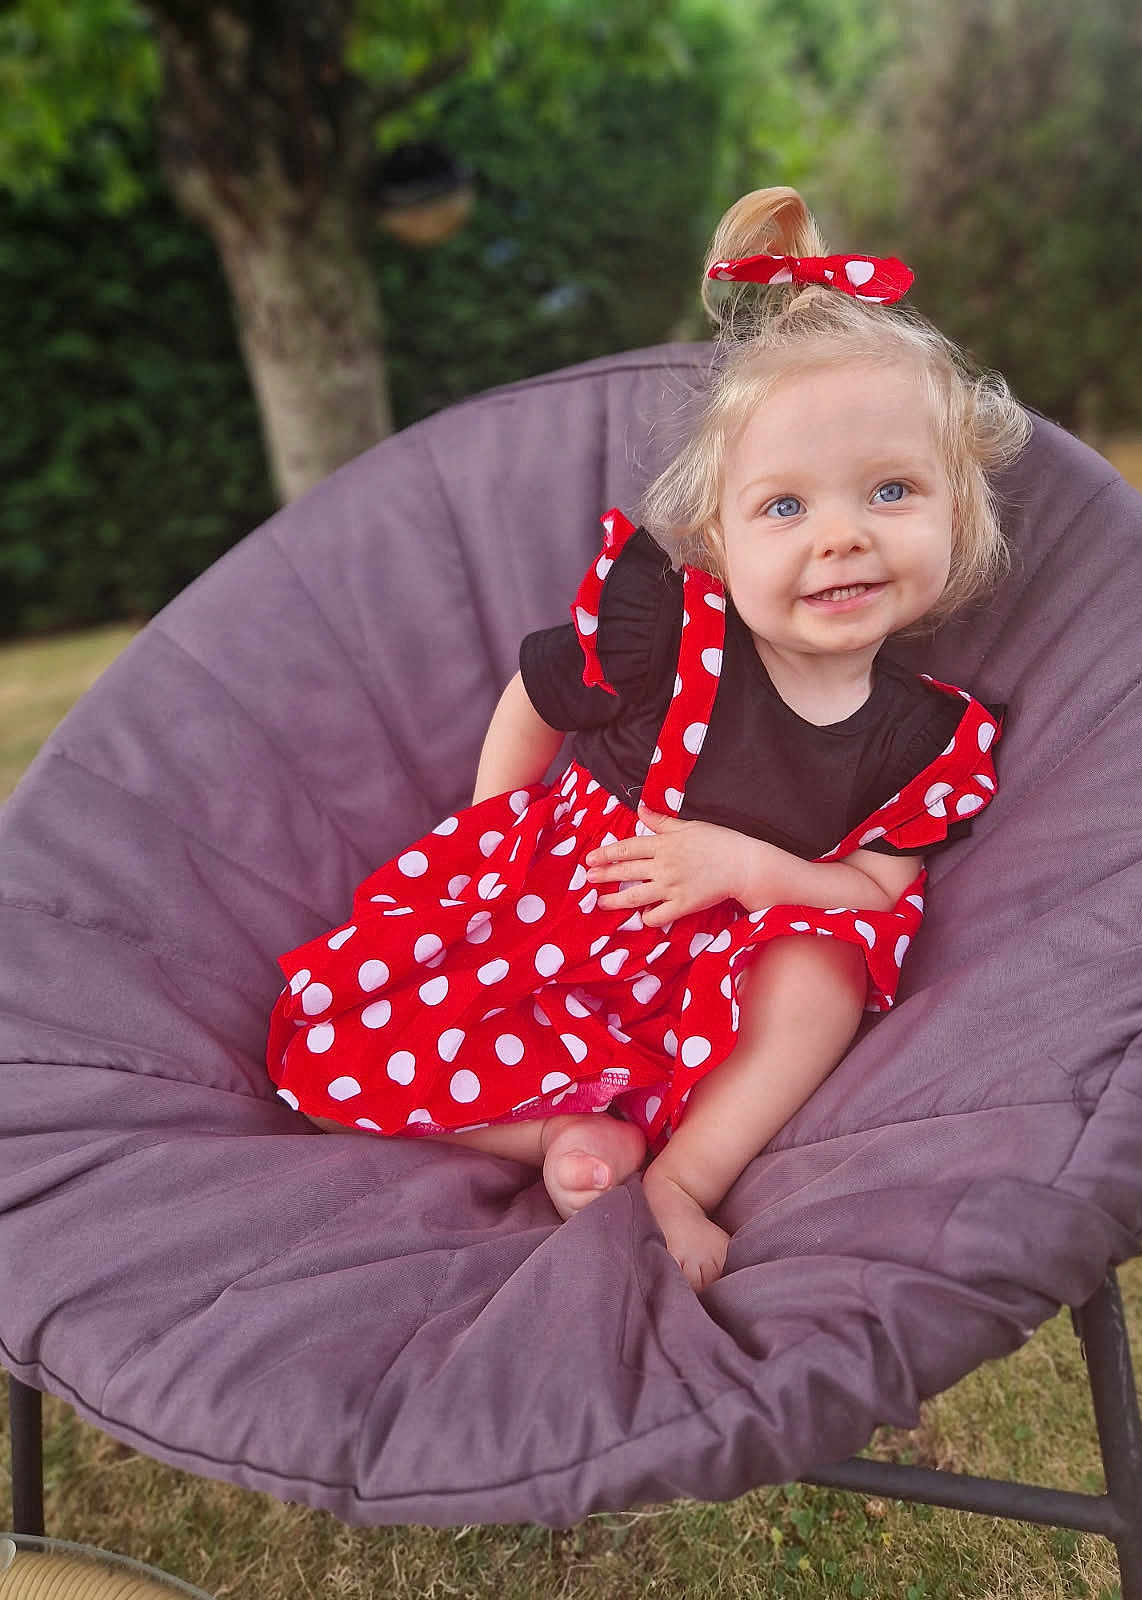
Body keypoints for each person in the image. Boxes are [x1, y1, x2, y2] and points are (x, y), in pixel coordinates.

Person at [265, 186, 1032, 1292]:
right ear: (716, 536)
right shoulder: (667, 633)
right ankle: (558, 1133)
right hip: (574, 915)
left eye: (893, 490)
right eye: (785, 508)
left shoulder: (926, 739)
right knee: (329, 1043)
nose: (843, 536)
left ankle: (683, 1175)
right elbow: (536, 698)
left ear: (958, 514)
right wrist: (493, 833)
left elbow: (876, 891)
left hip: (729, 978)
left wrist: (752, 871)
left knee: (825, 969)